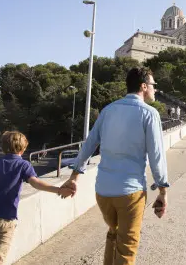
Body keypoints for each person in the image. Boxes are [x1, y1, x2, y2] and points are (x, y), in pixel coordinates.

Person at [61, 67, 170, 265]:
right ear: (144, 86)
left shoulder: (108, 110)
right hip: (130, 192)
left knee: (113, 234)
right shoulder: (149, 113)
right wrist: (162, 190)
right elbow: (156, 155)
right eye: (153, 85)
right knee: (127, 245)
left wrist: (74, 176)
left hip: (103, 191)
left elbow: (90, 143)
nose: (155, 89)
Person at [0, 131, 73, 265]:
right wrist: (58, 190)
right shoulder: (23, 165)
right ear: (23, 148)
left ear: (2, 147)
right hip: (6, 218)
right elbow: (36, 183)